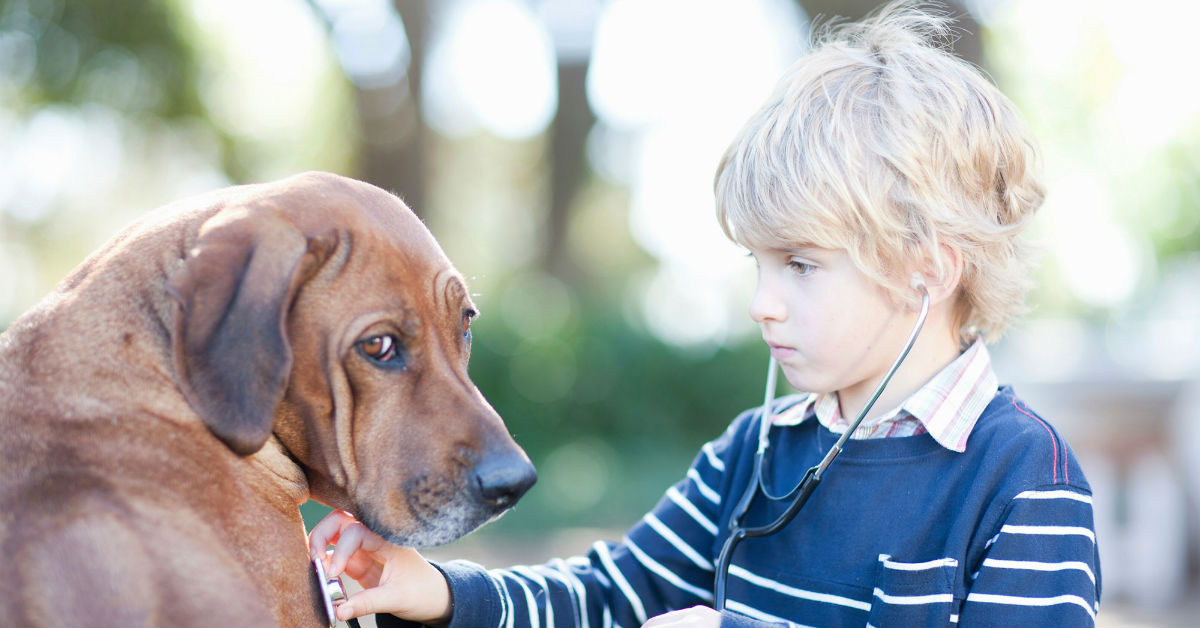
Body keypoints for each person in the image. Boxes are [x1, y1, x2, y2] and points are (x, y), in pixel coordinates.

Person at [308, 2, 1101, 626]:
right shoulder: (752, 456)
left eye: (800, 265)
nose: (763, 303)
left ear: (926, 268)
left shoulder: (1025, 479)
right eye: (758, 264)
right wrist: (438, 591)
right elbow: (609, 598)